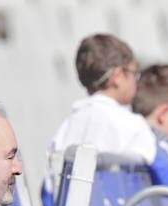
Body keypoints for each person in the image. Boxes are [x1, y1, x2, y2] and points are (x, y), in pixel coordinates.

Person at [47, 33, 156, 163]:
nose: (136, 81)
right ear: (118, 76)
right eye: (134, 73)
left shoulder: (65, 128)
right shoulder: (132, 125)